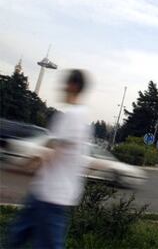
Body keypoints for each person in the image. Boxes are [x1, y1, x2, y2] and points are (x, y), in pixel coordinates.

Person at [9, 69, 91, 249]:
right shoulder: (81, 117)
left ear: (73, 86)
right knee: (15, 238)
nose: (62, 88)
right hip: (45, 194)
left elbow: (51, 149)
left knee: (26, 241)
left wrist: (23, 167)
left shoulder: (72, 115)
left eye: (65, 84)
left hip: (51, 197)